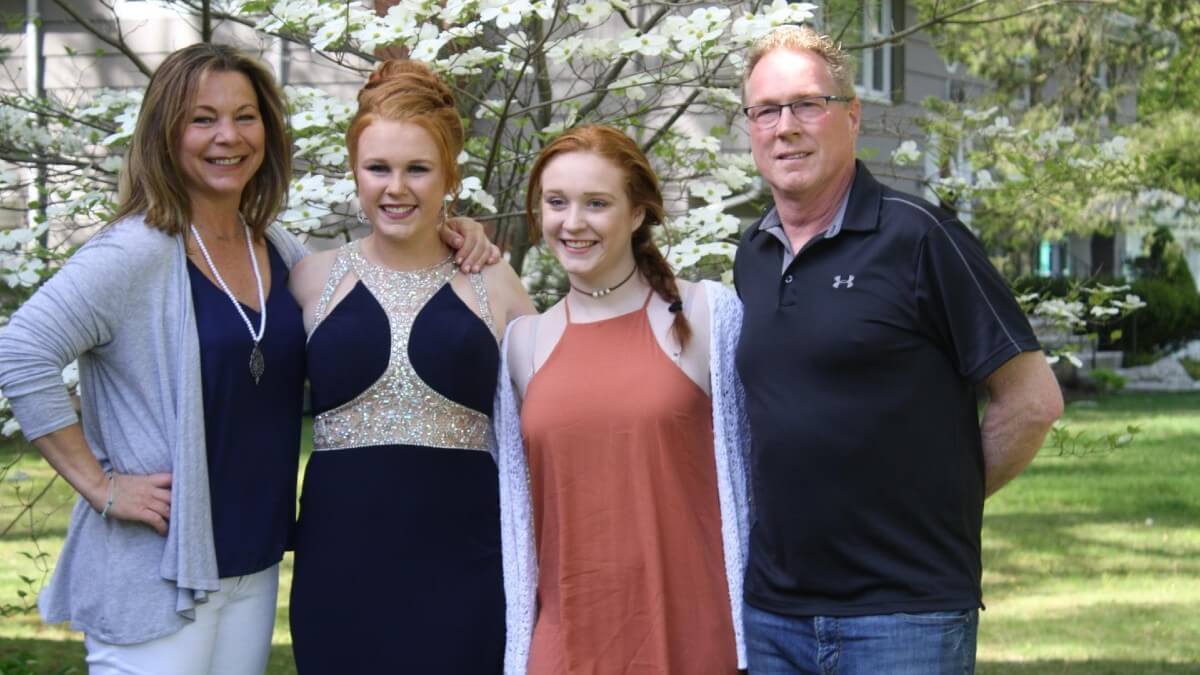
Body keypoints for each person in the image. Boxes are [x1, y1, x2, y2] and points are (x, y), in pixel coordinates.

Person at [0, 44, 494, 674]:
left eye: (245, 117)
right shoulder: (136, 252)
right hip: (161, 568)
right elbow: (21, 351)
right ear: (164, 133)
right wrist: (102, 487)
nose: (227, 137)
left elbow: (369, 277)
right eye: (202, 119)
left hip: (254, 565)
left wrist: (454, 228)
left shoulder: (276, 250)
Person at [733, 25, 1065, 674]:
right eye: (765, 110)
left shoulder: (921, 238)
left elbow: (1032, 402)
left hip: (905, 615)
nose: (785, 126)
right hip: (774, 614)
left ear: (851, 116)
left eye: (807, 104)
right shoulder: (753, 253)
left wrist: (939, 501)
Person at [286, 58, 534, 674]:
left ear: (449, 175)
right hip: (339, 566)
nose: (396, 188)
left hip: (466, 566)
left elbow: (546, 424)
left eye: (418, 169)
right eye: (379, 168)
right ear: (356, 173)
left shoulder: (496, 284)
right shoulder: (309, 278)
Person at [495, 125, 753, 675]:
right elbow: (519, 523)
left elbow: (755, 477)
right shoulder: (522, 344)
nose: (573, 222)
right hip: (566, 646)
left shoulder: (708, 315)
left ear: (637, 214)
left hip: (692, 640)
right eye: (556, 202)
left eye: (597, 203)